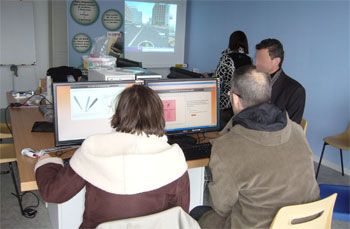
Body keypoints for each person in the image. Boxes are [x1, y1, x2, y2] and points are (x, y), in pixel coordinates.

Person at [35, 85, 190, 228]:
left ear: (119, 112)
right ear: (159, 115)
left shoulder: (93, 148)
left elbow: (53, 193)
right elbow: (180, 215)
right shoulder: (173, 157)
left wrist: (47, 162)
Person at [191, 65, 319, 228]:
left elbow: (222, 207)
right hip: (309, 223)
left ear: (235, 99)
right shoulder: (296, 129)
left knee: (198, 213)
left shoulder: (226, 148)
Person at [255, 38, 305, 124]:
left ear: (276, 61)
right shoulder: (253, 82)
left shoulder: (295, 90)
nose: (256, 63)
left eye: (261, 59)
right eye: (256, 59)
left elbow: (290, 129)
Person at [215, 30, 252, 129]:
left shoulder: (226, 58)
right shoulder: (249, 60)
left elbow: (217, 80)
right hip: (243, 105)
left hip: (226, 104)